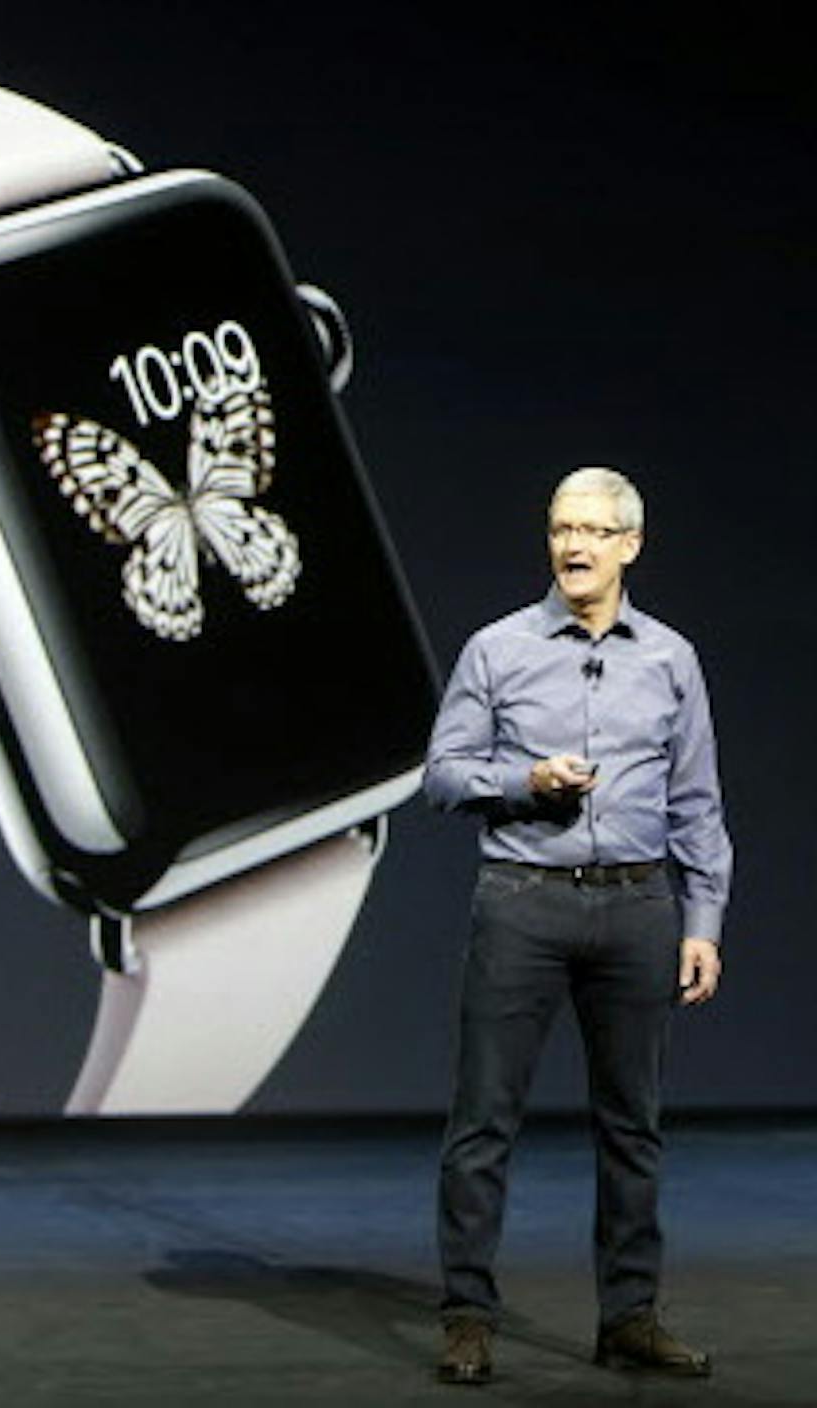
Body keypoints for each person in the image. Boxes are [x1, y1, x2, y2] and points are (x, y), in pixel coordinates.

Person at [424, 466, 731, 1385]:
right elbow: (442, 774)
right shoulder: (498, 649)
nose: (574, 546)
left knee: (633, 1125)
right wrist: (526, 782)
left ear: (630, 545)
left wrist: (702, 919)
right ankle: (469, 1316)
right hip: (524, 902)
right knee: (483, 1122)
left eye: (595, 530)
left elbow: (698, 804)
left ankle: (629, 1316)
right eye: (562, 527)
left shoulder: (671, 659)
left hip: (639, 907)